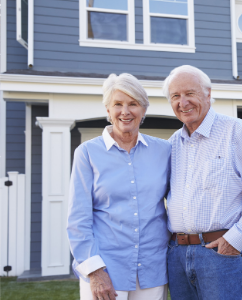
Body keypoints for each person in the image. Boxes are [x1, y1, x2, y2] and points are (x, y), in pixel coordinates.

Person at [164, 65, 242, 299]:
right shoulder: (172, 143)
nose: (182, 102)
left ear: (208, 94)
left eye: (189, 93)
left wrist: (236, 239)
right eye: (175, 96)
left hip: (219, 254)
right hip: (177, 255)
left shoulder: (236, 131)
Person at [67, 73, 171, 300]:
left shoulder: (164, 151)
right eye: (118, 104)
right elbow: (78, 220)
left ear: (143, 110)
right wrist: (95, 272)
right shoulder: (87, 153)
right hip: (106, 269)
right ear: (108, 110)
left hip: (152, 268)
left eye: (133, 104)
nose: (125, 111)